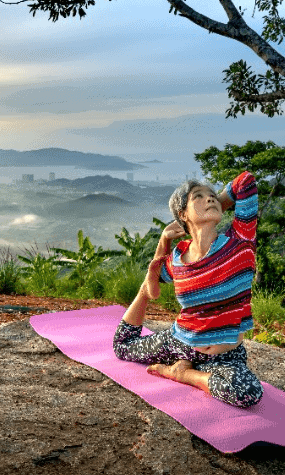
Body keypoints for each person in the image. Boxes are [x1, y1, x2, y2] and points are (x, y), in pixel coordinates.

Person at [113, 171, 263, 408]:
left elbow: (245, 182)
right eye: (198, 197)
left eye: (212, 195)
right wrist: (164, 240)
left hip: (223, 356)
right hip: (179, 342)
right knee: (122, 346)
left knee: (247, 392)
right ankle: (189, 365)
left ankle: (184, 374)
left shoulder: (239, 241)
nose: (210, 198)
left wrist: (213, 206)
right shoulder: (177, 259)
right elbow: (152, 282)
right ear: (182, 214)